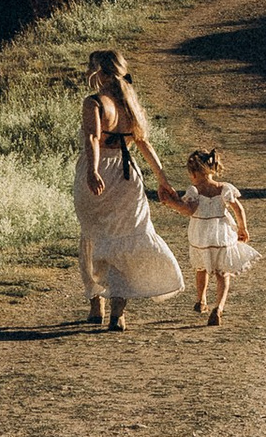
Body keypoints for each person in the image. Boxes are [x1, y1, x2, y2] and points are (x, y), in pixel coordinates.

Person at [73, 47, 185, 330]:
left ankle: (95, 299)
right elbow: (145, 144)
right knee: (125, 238)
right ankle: (117, 311)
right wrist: (162, 178)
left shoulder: (94, 102)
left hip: (101, 172)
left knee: (92, 236)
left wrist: (92, 171)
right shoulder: (129, 102)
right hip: (128, 177)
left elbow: (92, 138)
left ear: (98, 71)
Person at [161, 146, 260, 325]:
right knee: (223, 273)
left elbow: (188, 210)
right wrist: (242, 228)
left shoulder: (194, 191)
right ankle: (218, 307)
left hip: (201, 237)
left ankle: (201, 300)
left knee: (201, 268)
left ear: (194, 173)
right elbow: (238, 208)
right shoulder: (224, 188)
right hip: (221, 236)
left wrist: (170, 203)